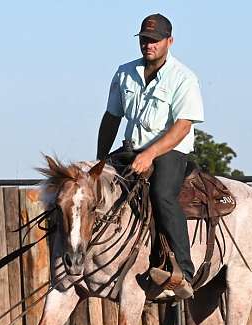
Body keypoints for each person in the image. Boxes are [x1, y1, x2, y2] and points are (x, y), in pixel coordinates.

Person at [97, 13, 204, 298]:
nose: (149, 45)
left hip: (170, 151)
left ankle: (183, 270)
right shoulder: (124, 73)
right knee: (96, 192)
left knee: (162, 194)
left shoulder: (184, 78)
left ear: (170, 41)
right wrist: (99, 162)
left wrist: (150, 155)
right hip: (131, 149)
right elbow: (111, 118)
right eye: (144, 39)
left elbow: (183, 126)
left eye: (155, 40)